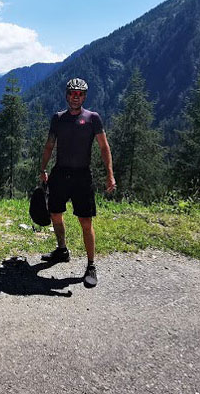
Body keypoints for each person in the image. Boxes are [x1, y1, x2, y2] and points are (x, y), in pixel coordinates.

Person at [39, 77, 116, 288]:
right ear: (66, 94)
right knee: (55, 213)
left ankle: (91, 265)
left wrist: (110, 174)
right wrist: (43, 168)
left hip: (82, 176)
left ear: (84, 96)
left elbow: (104, 147)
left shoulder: (93, 118)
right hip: (59, 174)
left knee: (85, 222)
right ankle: (62, 250)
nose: (75, 97)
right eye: (72, 92)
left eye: (80, 93)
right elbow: (49, 146)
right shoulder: (58, 118)